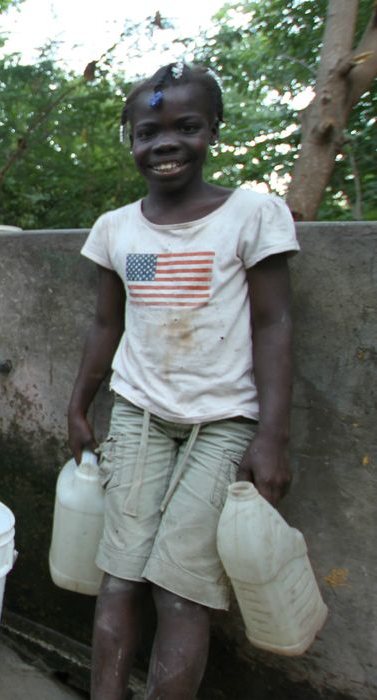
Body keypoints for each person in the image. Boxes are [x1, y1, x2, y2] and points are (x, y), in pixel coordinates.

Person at [66, 62, 298, 699]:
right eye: (147, 132)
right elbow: (105, 323)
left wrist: (273, 437)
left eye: (186, 127)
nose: (164, 143)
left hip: (224, 422)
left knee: (181, 591)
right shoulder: (116, 229)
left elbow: (275, 325)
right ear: (131, 141)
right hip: (138, 413)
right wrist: (79, 405)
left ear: (213, 131)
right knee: (119, 578)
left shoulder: (253, 215)